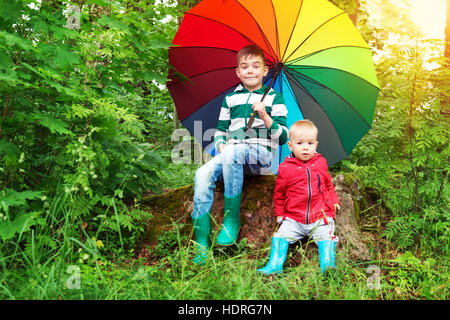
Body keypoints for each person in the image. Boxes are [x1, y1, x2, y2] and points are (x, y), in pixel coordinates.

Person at [191, 45, 288, 265]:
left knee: (234, 153)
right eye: (244, 67)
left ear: (265, 71)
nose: (250, 71)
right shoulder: (230, 99)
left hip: (260, 155)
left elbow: (282, 137)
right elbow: (220, 130)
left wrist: (264, 114)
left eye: (256, 66)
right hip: (231, 155)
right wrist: (221, 143)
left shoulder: (274, 98)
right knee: (202, 174)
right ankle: (201, 242)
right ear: (237, 72)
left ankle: (231, 221)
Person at [257, 120, 341, 275]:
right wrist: (280, 213)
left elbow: (328, 185)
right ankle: (274, 265)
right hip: (294, 217)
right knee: (281, 235)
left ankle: (328, 266)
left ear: (316, 145)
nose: (305, 147)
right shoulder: (285, 168)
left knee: (327, 235)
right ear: (290, 145)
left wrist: (334, 200)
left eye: (310, 143)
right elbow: (279, 193)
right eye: (300, 143)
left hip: (319, 216)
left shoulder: (321, 163)